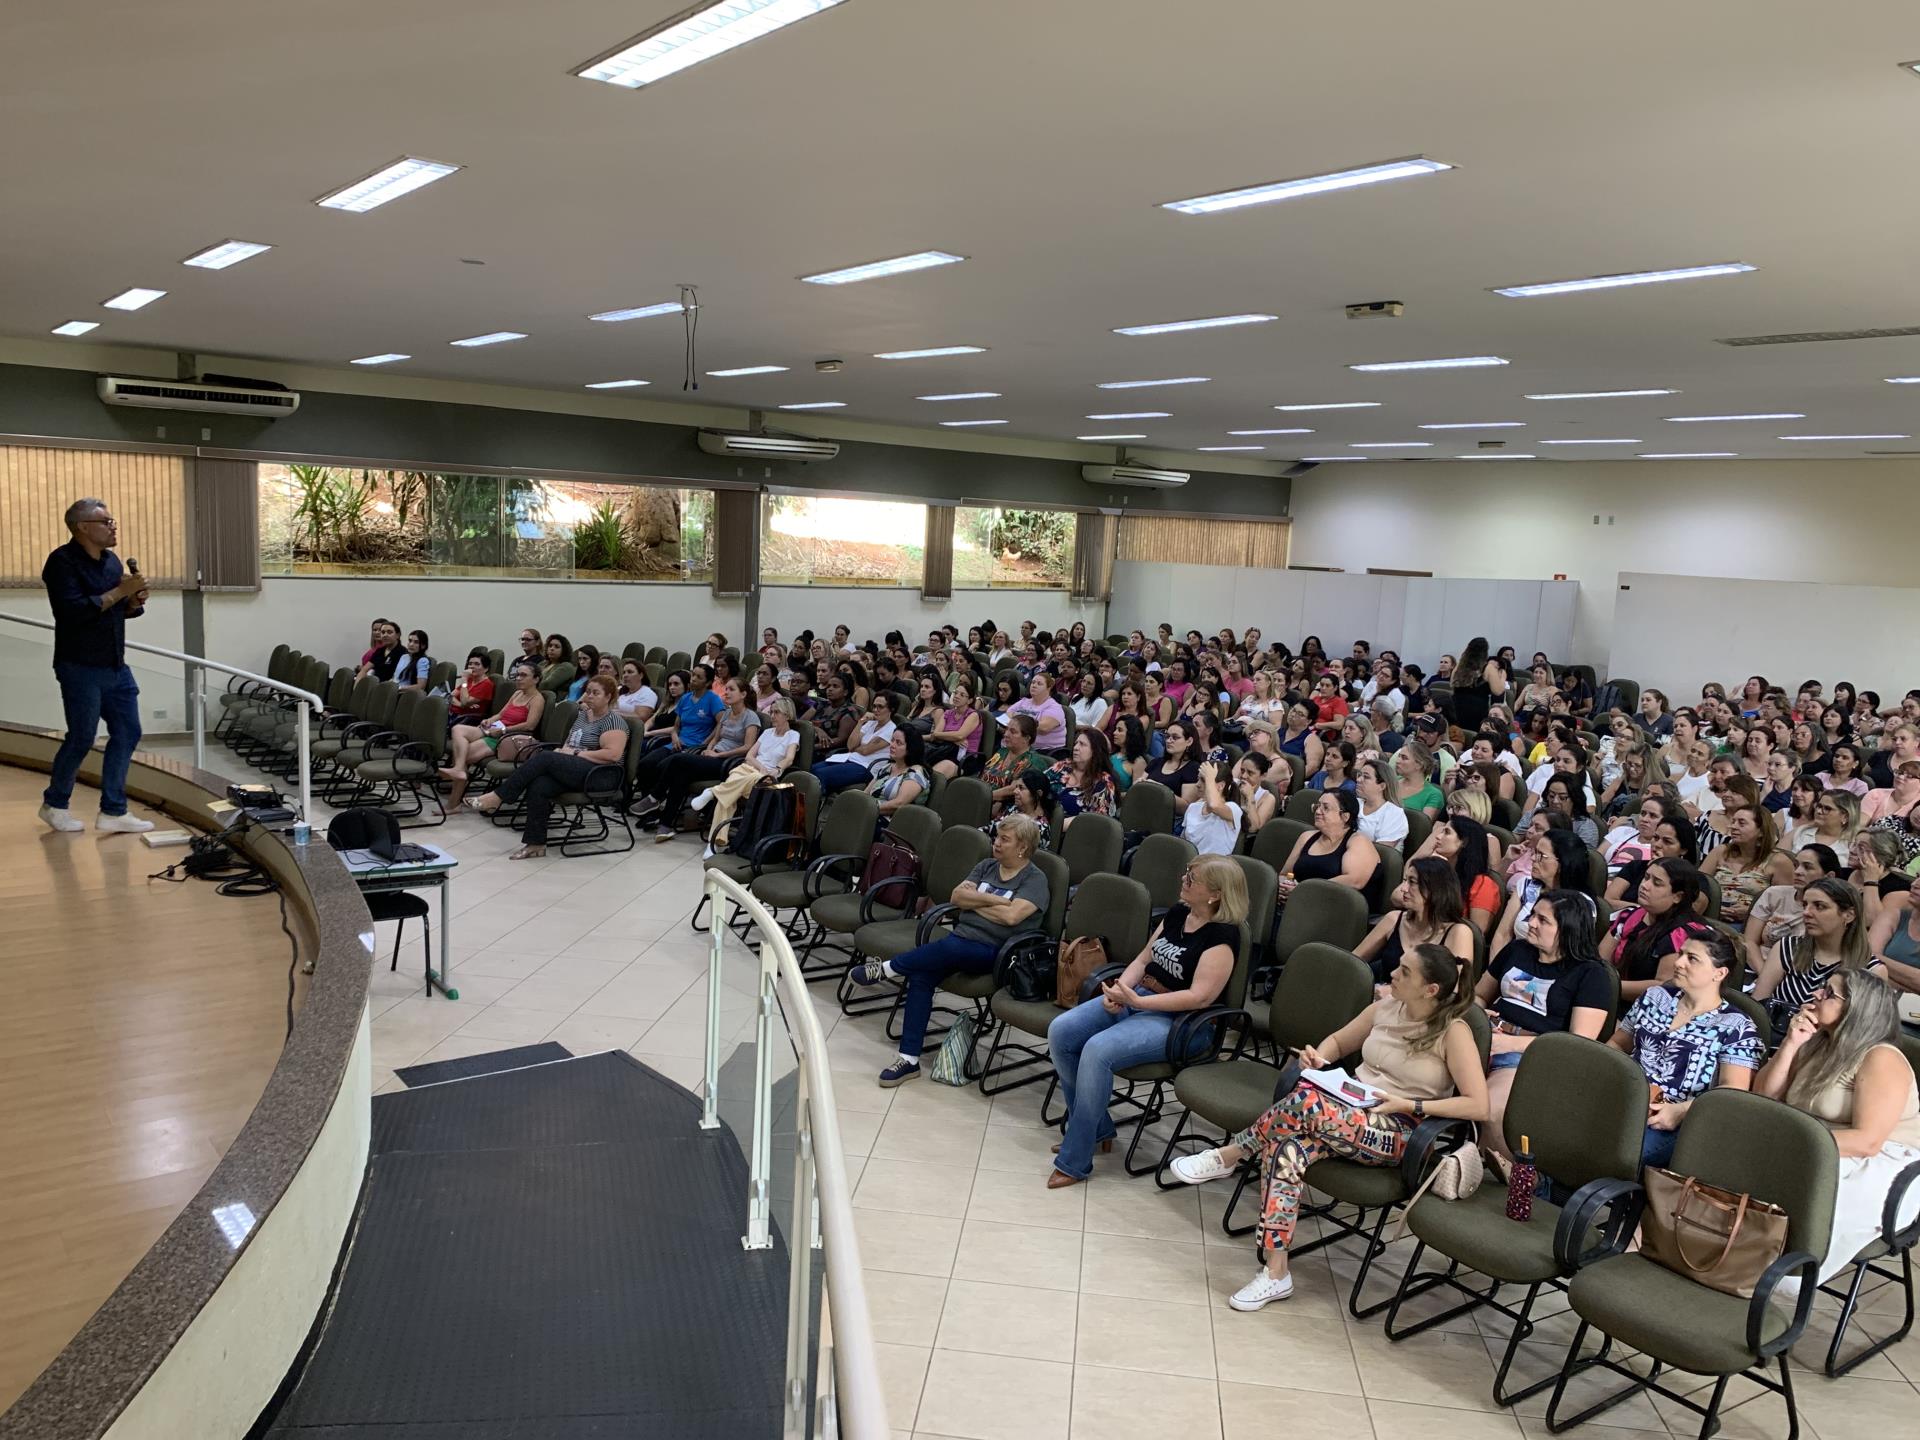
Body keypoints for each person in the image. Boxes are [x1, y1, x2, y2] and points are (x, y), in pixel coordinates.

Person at [1171, 942, 1485, 1310]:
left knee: (1305, 1102)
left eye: (1405, 972)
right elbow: (1338, 1041)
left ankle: (1231, 1153)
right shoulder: (1385, 1007)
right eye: (1398, 967)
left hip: (1400, 1131)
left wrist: (1411, 1103)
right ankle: (1276, 1273)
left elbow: (1479, 1105)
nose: (1394, 975)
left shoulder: (1454, 1032)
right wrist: (1319, 1057)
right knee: (1286, 1150)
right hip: (1347, 1110)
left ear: (1430, 989)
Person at [1048, 857, 1248, 1187]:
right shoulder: (1178, 913)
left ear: (1215, 894)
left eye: (1192, 878)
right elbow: (1144, 958)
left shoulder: (1223, 937)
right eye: (1186, 872)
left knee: (1098, 1050)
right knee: (1062, 1032)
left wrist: (1139, 1002)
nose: (1183, 879)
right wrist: (1119, 990)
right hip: (1140, 995)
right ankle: (1097, 1129)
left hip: (1184, 1022)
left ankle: (1075, 1159)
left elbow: (1199, 997)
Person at [848, 815, 1049, 1086]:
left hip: (997, 952)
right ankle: (909, 1059)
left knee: (949, 946)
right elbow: (956, 898)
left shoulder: (1035, 880)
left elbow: (1012, 918)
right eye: (997, 837)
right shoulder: (986, 866)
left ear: (1023, 847)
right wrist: (996, 899)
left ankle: (887, 969)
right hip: (960, 941)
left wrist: (975, 901)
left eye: (1004, 839)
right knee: (922, 974)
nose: (996, 843)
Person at [1753, 969, 1920, 1290]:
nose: (1815, 994)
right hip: (1819, 1145)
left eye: (1828, 993)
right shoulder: (1817, 1042)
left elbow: (1868, 1141)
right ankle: (1734, 1248)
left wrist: (1792, 1147)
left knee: (1790, 1172)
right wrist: (1791, 1043)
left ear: (1857, 1008)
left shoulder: (1880, 1058)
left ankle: (1782, 1272)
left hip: (1885, 1164)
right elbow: (1765, 1097)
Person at [38, 498, 154, 833]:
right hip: (80, 665)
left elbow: (118, 611)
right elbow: (73, 612)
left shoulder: (111, 561)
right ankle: (55, 804)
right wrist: (121, 591)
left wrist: (132, 601)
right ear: (83, 527)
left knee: (128, 732)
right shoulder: (61, 562)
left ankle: (114, 812)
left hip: (116, 664)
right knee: (82, 737)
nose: (113, 525)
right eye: (106, 521)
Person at [1606, 929, 1763, 1166]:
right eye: (1681, 954)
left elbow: (1732, 1092)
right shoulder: (1655, 998)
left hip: (1677, 1121)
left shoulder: (1736, 1026)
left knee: (1613, 1153)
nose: (1678, 963)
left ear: (1719, 973)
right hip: (1626, 1098)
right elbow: (1618, 1043)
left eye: (1692, 959)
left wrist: (1682, 1111)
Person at [1477, 891, 1613, 1163]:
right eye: (1533, 915)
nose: (1531, 923)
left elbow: (1576, 1044)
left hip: (1530, 1056)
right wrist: (1479, 1016)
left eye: (1543, 919)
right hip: (1486, 1035)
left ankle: (1516, 1184)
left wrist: (1509, 1043)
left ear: (1568, 929)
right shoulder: (1517, 950)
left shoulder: (1591, 974)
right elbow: (1479, 995)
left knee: (1490, 1110)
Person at [466, 675, 628, 859]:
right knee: (540, 785)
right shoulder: (584, 715)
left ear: (608, 697)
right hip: (578, 768)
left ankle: (499, 796)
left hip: (601, 775)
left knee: (545, 758)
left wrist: (574, 754)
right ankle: (536, 844)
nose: (589, 696)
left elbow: (612, 755)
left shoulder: (613, 721)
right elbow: (570, 741)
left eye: (595, 693)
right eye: (588, 691)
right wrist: (565, 750)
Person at [1752, 876, 1878, 1038]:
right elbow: (1757, 1008)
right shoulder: (1787, 948)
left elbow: (1861, 1034)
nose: (1806, 913)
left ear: (1849, 915)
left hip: (1826, 1051)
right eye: (1805, 905)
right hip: (1771, 1039)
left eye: (1819, 906)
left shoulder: (1871, 970)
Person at [649, 678, 762, 840]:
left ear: (743, 694)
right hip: (713, 756)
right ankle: (665, 825)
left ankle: (655, 797)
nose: (726, 692)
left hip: (728, 763)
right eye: (726, 689)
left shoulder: (751, 717)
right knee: (680, 775)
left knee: (678, 760)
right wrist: (708, 750)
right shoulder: (727, 713)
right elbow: (715, 739)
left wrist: (717, 755)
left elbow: (747, 747)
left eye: (731, 689)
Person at [693, 701, 801, 854]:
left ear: (787, 715)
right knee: (729, 797)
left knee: (734, 790)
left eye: (777, 712)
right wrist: (760, 766)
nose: (772, 716)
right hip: (747, 769)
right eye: (771, 712)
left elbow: (789, 758)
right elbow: (750, 755)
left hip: (766, 779)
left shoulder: (793, 735)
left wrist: (776, 769)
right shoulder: (767, 732)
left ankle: (713, 792)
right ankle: (715, 842)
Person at [1355, 857, 1477, 986]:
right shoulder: (1393, 919)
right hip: (1380, 998)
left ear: (1434, 888)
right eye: (1405, 881)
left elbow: (1456, 990)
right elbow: (1354, 961)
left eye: (1412, 882)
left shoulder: (1458, 933)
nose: (1403, 889)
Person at [1600, 858, 1709, 1000]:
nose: (1645, 886)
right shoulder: (1629, 915)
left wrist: (1605, 986)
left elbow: (1663, 985)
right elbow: (1601, 958)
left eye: (1657, 883)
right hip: (1611, 995)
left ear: (1677, 896)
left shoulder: (1685, 934)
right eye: (1646, 877)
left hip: (1653, 1010)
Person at [1274, 789, 1381, 909]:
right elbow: (1285, 873)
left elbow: (1354, 881)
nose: (1318, 811)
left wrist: (1303, 890)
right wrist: (1283, 887)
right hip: (1298, 904)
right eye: (1317, 806)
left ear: (1345, 816)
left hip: (1335, 909)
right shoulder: (1306, 837)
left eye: (1325, 808)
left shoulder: (1359, 842)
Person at [810, 692, 899, 794]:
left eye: (880, 707)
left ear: (891, 710)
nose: (875, 710)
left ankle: (814, 804)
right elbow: (850, 745)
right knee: (813, 769)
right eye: (874, 706)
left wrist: (856, 747)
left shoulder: (891, 729)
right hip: (851, 759)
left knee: (820, 774)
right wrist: (861, 722)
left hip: (866, 767)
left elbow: (866, 751)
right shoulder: (870, 723)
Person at [1048, 728, 1116, 822]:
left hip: (1074, 831)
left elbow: (1100, 820)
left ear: (1095, 750)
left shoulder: (1103, 781)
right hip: (1044, 821)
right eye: (1076, 743)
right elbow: (1039, 784)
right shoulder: (1063, 766)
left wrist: (1057, 826)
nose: (1076, 748)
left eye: (1082, 744)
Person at [865, 727, 931, 818]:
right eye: (892, 740)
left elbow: (899, 804)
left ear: (910, 748)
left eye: (898, 743)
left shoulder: (915, 772)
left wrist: (866, 808)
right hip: (869, 815)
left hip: (891, 824)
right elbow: (865, 794)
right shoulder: (887, 768)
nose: (892, 745)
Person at [1185, 758, 1244, 856]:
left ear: (1221, 786)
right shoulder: (1193, 807)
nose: (1197, 785)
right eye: (1198, 779)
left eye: (1203, 780)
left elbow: (1214, 805)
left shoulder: (1233, 809)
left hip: (1214, 867)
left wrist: (1210, 778)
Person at [1354, 759, 1410, 849]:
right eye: (1359, 775)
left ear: (1382, 786)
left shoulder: (1394, 814)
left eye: (1366, 777)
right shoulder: (1355, 803)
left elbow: (1382, 851)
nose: (1358, 779)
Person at [447, 653, 495, 725]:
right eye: (470, 664)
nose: (472, 667)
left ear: (486, 669)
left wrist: (464, 680)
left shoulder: (487, 684)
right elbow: (450, 696)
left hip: (466, 718)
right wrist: (461, 705)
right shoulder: (469, 680)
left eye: (477, 664)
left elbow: (465, 701)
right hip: (451, 713)